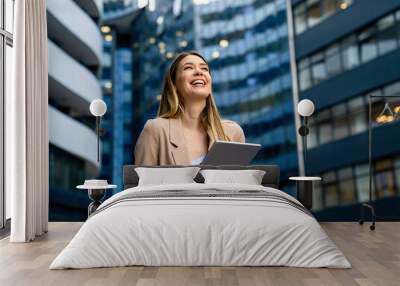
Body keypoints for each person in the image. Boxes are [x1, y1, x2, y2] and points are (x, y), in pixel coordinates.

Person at [134, 51, 245, 165]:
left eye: (204, 69)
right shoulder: (155, 130)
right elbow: (141, 182)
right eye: (188, 68)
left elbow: (238, 182)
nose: (199, 72)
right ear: (174, 85)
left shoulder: (233, 133)